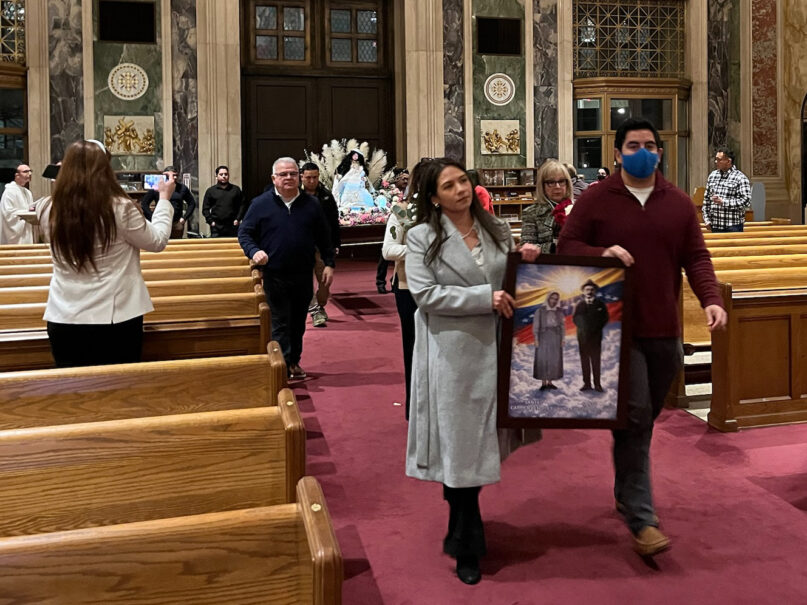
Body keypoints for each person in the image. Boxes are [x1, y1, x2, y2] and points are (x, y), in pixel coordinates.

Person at [558, 117, 727, 557]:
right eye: (633, 144)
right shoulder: (596, 198)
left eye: (650, 144)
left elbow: (696, 256)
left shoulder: (677, 203)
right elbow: (567, 247)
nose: (643, 151)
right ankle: (642, 517)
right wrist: (603, 253)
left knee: (643, 417)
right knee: (634, 415)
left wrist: (711, 298)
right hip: (617, 329)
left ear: (660, 151)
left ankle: (625, 481)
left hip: (664, 329)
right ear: (617, 153)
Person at [405, 158, 540, 585]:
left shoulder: (495, 228)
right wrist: (485, 298)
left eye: (463, 181)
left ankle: (460, 524)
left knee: (475, 444)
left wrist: (527, 260)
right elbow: (425, 295)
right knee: (462, 443)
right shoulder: (420, 237)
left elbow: (508, 276)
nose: (461, 190)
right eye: (449, 186)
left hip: (496, 350)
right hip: (451, 354)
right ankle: (468, 542)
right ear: (434, 197)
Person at [43, 139, 174, 367]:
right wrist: (163, 200)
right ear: (104, 170)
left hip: (64, 315)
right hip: (114, 317)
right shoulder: (119, 208)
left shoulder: (48, 208)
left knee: (73, 392)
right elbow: (157, 241)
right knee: (117, 391)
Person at [238, 157, 335, 379]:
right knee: (280, 321)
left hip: (302, 273)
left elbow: (324, 236)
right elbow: (245, 233)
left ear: (299, 176)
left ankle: (293, 363)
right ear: (274, 178)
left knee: (298, 321)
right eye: (283, 174)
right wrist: (254, 251)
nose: (289, 178)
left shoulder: (312, 205)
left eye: (292, 173)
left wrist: (329, 263)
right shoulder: (260, 204)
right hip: (274, 273)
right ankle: (280, 368)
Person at [382, 162, 425, 419]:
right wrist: (420, 250)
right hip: (409, 286)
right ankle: (414, 405)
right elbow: (388, 250)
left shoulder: (451, 212)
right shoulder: (402, 211)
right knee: (413, 346)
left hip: (444, 287)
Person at [301, 162, 340, 326]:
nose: (311, 181)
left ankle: (320, 304)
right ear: (302, 177)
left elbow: (333, 221)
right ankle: (315, 310)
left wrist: (336, 243)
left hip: (321, 246)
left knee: (325, 281)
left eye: (315, 177)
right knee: (304, 281)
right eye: (308, 177)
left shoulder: (325, 195)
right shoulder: (295, 195)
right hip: (301, 246)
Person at [520, 159, 573, 253]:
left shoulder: (578, 209)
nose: (557, 186)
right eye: (551, 182)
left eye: (561, 181)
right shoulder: (531, 212)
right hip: (544, 265)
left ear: (567, 184)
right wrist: (553, 247)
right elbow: (526, 247)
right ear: (542, 186)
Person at [572, 280, 608, 392]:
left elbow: (604, 319)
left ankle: (597, 384)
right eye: (587, 289)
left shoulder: (600, 304)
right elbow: (576, 319)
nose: (589, 291)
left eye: (592, 289)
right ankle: (587, 383)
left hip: (596, 338)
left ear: (595, 291)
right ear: (583, 291)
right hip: (583, 338)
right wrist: (585, 328)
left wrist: (594, 329)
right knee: (585, 361)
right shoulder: (579, 305)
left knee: (596, 361)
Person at [376, 168, 409, 293]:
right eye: (403, 179)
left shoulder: (410, 193)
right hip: (392, 223)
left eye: (407, 179)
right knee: (386, 254)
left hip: (404, 227)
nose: (406, 181)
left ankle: (394, 279)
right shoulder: (388, 192)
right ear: (396, 180)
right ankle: (380, 281)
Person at [141, 165, 196, 238]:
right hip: (161, 222)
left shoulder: (182, 188)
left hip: (176, 222)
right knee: (160, 244)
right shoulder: (157, 187)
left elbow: (192, 203)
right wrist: (152, 217)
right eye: (171, 175)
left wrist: (184, 218)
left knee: (177, 245)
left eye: (175, 175)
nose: (174, 177)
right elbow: (144, 203)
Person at [703, 149, 751, 232]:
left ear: (728, 161)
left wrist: (723, 202)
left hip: (733, 226)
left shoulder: (740, 178)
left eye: (719, 160)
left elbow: (746, 201)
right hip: (715, 225)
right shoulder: (713, 176)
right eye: (716, 159)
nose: (715, 162)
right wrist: (706, 219)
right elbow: (706, 200)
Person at [201, 165, 247, 237]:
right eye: (221, 174)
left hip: (232, 225)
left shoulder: (236, 190)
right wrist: (211, 221)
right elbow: (205, 208)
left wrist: (238, 219)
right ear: (216, 176)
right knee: (216, 247)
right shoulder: (211, 191)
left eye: (226, 174)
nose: (224, 176)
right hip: (216, 226)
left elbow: (242, 205)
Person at [533, 290, 564, 390]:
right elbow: (536, 326)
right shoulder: (540, 311)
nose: (554, 301)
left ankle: (550, 382)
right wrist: (536, 339)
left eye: (556, 299)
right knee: (543, 358)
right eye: (552, 298)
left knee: (553, 359)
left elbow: (562, 326)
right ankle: (543, 383)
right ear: (548, 298)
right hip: (543, 337)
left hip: (555, 336)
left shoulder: (559, 311)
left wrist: (562, 338)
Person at [0, 162, 34, 245]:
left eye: (30, 171)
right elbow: (8, 213)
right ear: (17, 175)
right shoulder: (10, 191)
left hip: (26, 231)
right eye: (25, 171)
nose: (29, 174)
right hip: (15, 234)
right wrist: (25, 214)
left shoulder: (28, 192)